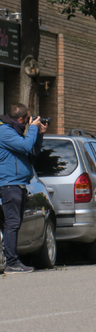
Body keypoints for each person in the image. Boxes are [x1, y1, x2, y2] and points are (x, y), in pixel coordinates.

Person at [0, 104, 47, 274]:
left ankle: (12, 260)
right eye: (28, 118)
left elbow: (32, 153)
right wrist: (33, 128)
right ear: (21, 119)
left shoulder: (15, 132)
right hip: (9, 184)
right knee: (12, 223)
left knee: (15, 223)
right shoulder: (5, 132)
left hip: (18, 184)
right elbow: (26, 146)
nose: (30, 121)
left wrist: (39, 135)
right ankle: (11, 262)